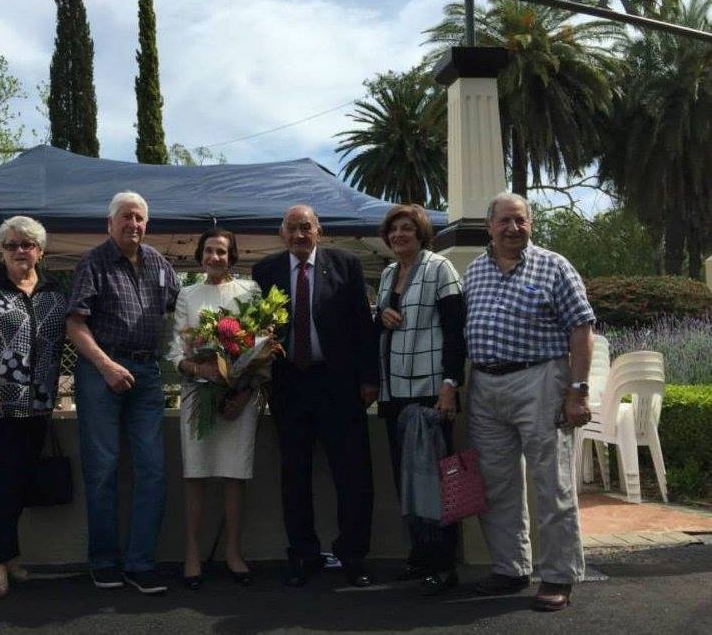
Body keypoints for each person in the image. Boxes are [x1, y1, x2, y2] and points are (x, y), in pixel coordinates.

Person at [464, 192, 594, 612]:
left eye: (520, 220)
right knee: (497, 484)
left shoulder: (555, 266)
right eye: (504, 221)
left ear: (530, 224)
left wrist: (577, 391)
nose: (512, 228)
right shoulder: (476, 271)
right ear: (489, 226)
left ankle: (558, 576)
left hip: (541, 380)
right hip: (486, 386)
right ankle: (510, 568)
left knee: (551, 483)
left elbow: (581, 329)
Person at [252, 204, 378, 588]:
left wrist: (370, 379)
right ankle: (303, 555)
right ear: (281, 233)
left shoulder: (345, 265)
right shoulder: (265, 271)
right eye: (291, 228)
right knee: (294, 477)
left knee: (352, 475)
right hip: (290, 386)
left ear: (318, 230)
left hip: (339, 386)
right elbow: (257, 330)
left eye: (305, 227)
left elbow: (363, 326)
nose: (299, 235)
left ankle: (353, 556)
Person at [66, 191, 180, 595]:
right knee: (103, 470)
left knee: (153, 470)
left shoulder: (161, 265)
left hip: (147, 373)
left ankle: (140, 562)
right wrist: (106, 366)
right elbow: (75, 325)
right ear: (110, 224)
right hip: (102, 371)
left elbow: (181, 316)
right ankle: (104, 560)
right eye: (126, 218)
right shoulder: (93, 263)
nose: (134, 224)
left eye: (140, 218)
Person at [0, 216, 68, 599]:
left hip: (39, 404)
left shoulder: (56, 290)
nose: (20, 251)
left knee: (22, 483)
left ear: (40, 251)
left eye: (27, 244)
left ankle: (6, 554)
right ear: (2, 250)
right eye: (12, 245)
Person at [374, 204, 465, 594]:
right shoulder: (388, 273)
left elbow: (455, 330)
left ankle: (444, 566)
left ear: (421, 233)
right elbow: (380, 320)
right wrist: (379, 316)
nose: (399, 236)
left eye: (407, 229)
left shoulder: (440, 269)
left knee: (436, 481)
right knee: (406, 479)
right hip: (394, 391)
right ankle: (420, 556)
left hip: (430, 391)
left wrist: (450, 385)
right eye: (394, 230)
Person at [167, 228, 260, 589]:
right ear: (200, 256)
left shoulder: (250, 291)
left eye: (222, 251)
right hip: (198, 395)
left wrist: (243, 390)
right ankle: (192, 555)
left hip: (239, 398)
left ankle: (234, 553)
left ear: (232, 256)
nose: (215, 257)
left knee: (235, 475)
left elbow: (260, 345)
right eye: (209, 251)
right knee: (196, 473)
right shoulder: (187, 294)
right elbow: (177, 349)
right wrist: (197, 368)